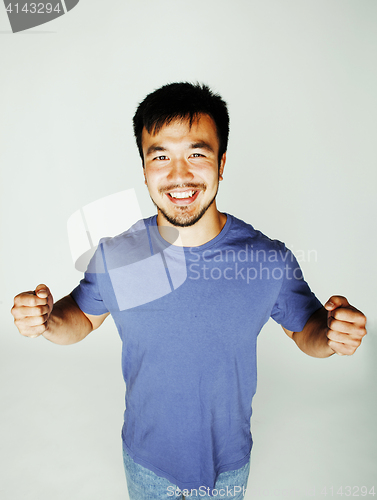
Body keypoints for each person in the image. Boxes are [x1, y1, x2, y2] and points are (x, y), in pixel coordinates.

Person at [11, 82, 367, 500]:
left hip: (228, 466)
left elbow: (305, 329)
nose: (179, 175)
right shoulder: (118, 256)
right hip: (147, 464)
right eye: (160, 156)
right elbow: (83, 317)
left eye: (196, 154)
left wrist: (331, 334)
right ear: (144, 168)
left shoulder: (266, 259)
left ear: (221, 162)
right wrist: (46, 320)